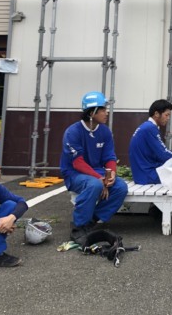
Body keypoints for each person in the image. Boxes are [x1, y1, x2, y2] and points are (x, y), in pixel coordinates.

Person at [60, 91, 128, 240]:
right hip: (74, 173)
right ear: (91, 113)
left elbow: (109, 157)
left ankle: (91, 221)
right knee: (94, 185)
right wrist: (99, 178)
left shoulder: (105, 131)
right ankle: (78, 227)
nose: (106, 112)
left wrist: (111, 174)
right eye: (103, 109)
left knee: (121, 187)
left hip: (96, 173)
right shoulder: (72, 132)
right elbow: (77, 162)